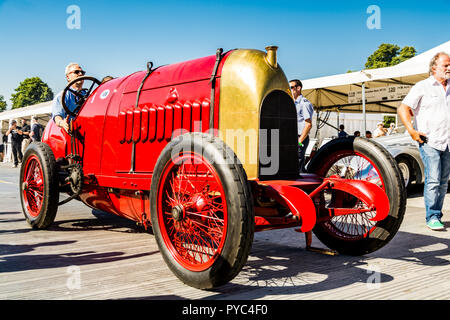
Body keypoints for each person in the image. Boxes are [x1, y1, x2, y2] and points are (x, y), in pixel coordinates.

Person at [398, 51, 450, 231]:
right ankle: (432, 216)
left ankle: (437, 213)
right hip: (429, 140)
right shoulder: (423, 86)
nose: (449, 68)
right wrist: (412, 130)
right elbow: (403, 108)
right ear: (434, 67)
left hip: (448, 141)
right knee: (434, 178)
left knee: (443, 181)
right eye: (446, 65)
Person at [52, 62, 87, 133]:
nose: (80, 74)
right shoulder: (62, 96)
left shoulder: (88, 95)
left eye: (82, 72)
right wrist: (62, 123)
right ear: (68, 77)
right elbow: (57, 116)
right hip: (71, 133)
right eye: (76, 72)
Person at [289, 79, 314, 173]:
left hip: (300, 138)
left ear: (298, 88)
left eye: (291, 87)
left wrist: (299, 141)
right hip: (294, 137)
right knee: (293, 167)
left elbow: (308, 124)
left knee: (298, 169)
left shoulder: (304, 103)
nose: (290, 90)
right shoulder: (293, 103)